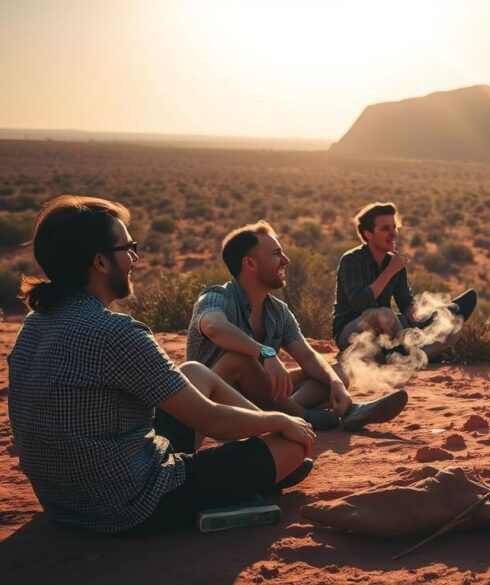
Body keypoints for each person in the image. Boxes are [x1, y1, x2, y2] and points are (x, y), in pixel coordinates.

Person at [7, 195, 315, 535]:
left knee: (195, 372)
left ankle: (263, 459)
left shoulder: (36, 324)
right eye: (128, 248)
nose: (135, 257)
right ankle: (268, 460)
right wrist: (279, 419)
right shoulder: (116, 333)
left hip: (64, 501)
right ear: (100, 262)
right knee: (295, 444)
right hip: (132, 503)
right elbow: (212, 421)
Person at [179, 220, 407, 432]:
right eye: (277, 254)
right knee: (239, 360)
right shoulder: (217, 297)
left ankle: (284, 415)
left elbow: (307, 357)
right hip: (212, 404)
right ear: (249, 263)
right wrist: (265, 352)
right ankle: (305, 416)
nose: (286, 260)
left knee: (334, 372)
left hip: (258, 397)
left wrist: (336, 383)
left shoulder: (277, 311)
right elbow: (213, 327)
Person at [332, 201, 477, 359]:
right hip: (351, 333)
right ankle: (411, 354)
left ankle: (410, 354)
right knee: (384, 315)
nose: (393, 233)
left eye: (394, 227)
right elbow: (360, 303)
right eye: (385, 229)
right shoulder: (352, 260)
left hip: (385, 335)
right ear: (368, 234)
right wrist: (390, 271)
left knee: (450, 332)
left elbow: (405, 302)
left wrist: (431, 318)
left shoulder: (394, 262)